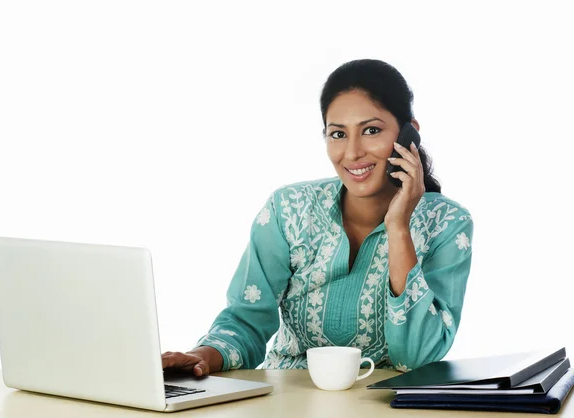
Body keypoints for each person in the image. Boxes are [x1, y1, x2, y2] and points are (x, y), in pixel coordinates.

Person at [162, 59, 474, 377]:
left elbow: (418, 356)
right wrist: (199, 356)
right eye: (337, 134)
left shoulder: (447, 223)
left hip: (386, 407)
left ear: (410, 133)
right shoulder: (289, 209)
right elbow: (247, 320)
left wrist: (398, 228)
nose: (352, 153)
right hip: (285, 402)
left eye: (371, 130)